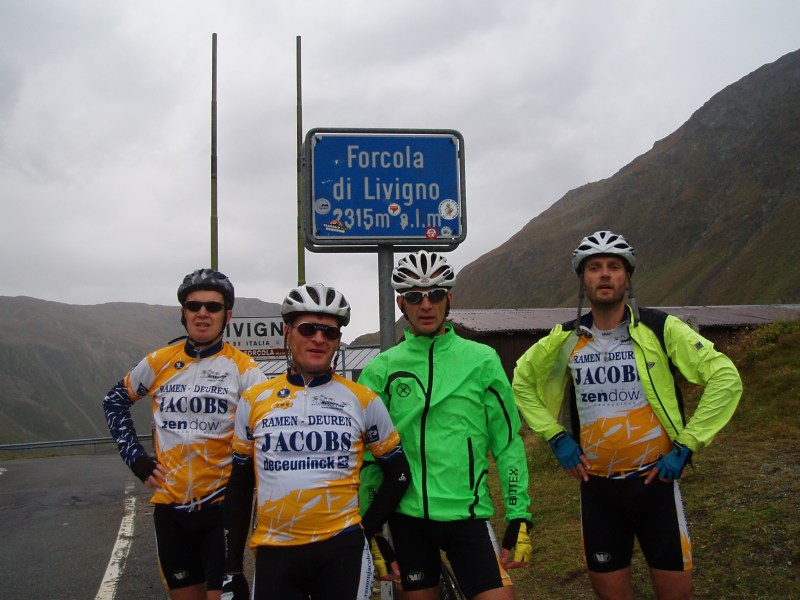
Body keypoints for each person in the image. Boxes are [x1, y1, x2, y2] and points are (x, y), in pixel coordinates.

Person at [513, 230, 743, 600]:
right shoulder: (566, 339)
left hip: (657, 485)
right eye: (595, 267)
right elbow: (521, 381)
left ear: (627, 277)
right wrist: (555, 437)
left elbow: (725, 377)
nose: (605, 274)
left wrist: (687, 445)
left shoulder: (659, 328)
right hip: (598, 489)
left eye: (614, 267)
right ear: (583, 280)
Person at [358, 250, 533, 600]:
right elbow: (369, 457)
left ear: (449, 299)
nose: (426, 305)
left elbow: (507, 440)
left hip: (466, 514)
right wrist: (372, 529)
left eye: (435, 295)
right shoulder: (381, 368)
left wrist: (519, 513)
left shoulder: (481, 359)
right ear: (401, 303)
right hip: (407, 517)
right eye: (414, 296)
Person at [222, 283, 411, 600]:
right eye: (308, 328)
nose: (319, 339)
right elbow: (239, 485)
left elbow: (399, 473)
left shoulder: (362, 400)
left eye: (330, 332)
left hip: (343, 552)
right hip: (274, 552)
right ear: (288, 332)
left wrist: (368, 529)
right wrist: (232, 569)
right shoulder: (254, 400)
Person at [103, 268, 267, 600]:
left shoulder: (245, 371)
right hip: (170, 509)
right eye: (193, 306)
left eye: (213, 306)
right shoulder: (159, 362)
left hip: (221, 508)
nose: (202, 313)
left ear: (227, 315)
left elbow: (266, 436)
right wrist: (136, 459)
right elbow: (114, 401)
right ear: (183, 313)